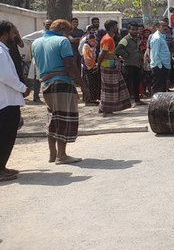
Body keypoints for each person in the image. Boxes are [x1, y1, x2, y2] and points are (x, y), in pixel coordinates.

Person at [32, 19, 90, 164]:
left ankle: (53, 154)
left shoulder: (36, 43)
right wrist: (82, 85)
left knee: (53, 118)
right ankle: (62, 155)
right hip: (62, 82)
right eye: (68, 31)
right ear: (63, 28)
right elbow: (69, 65)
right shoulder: (62, 41)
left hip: (46, 84)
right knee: (64, 118)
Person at [0, 21, 31, 181]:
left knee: (7, 134)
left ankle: (2, 167)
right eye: (13, 33)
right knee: (6, 135)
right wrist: (22, 88)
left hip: (7, 100)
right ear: (4, 34)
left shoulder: (4, 51)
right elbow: (6, 76)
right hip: (6, 102)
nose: (15, 36)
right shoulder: (0, 52)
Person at [98, 20, 131, 115]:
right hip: (108, 66)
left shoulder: (109, 38)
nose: (117, 28)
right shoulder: (108, 39)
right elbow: (102, 53)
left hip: (110, 65)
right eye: (116, 26)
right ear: (112, 27)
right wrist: (98, 64)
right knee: (110, 88)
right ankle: (106, 109)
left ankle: (105, 107)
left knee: (111, 87)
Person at [115, 22, 144, 105]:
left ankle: (137, 100)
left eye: (136, 30)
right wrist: (125, 55)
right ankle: (126, 101)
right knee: (128, 83)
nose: (135, 31)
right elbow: (117, 50)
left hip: (137, 64)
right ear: (129, 30)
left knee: (137, 82)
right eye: (133, 30)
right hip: (128, 64)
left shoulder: (138, 38)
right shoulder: (125, 39)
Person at [80, 33, 100, 104]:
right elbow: (87, 58)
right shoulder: (86, 46)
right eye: (91, 40)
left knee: (93, 84)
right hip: (87, 67)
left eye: (94, 40)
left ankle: (93, 98)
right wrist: (92, 66)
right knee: (88, 84)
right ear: (88, 40)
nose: (93, 42)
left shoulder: (94, 45)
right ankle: (88, 100)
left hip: (93, 67)